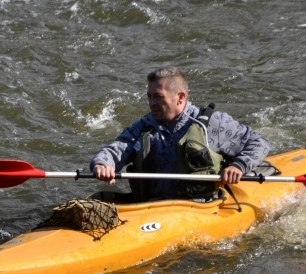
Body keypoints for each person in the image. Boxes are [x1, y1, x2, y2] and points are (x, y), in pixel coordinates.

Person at [90, 66, 270, 202]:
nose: (152, 103)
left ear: (180, 97)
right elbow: (115, 150)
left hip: (199, 207)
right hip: (150, 208)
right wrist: (103, 164)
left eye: (158, 96)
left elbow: (259, 143)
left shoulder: (212, 124)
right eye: (149, 96)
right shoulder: (143, 127)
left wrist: (238, 166)